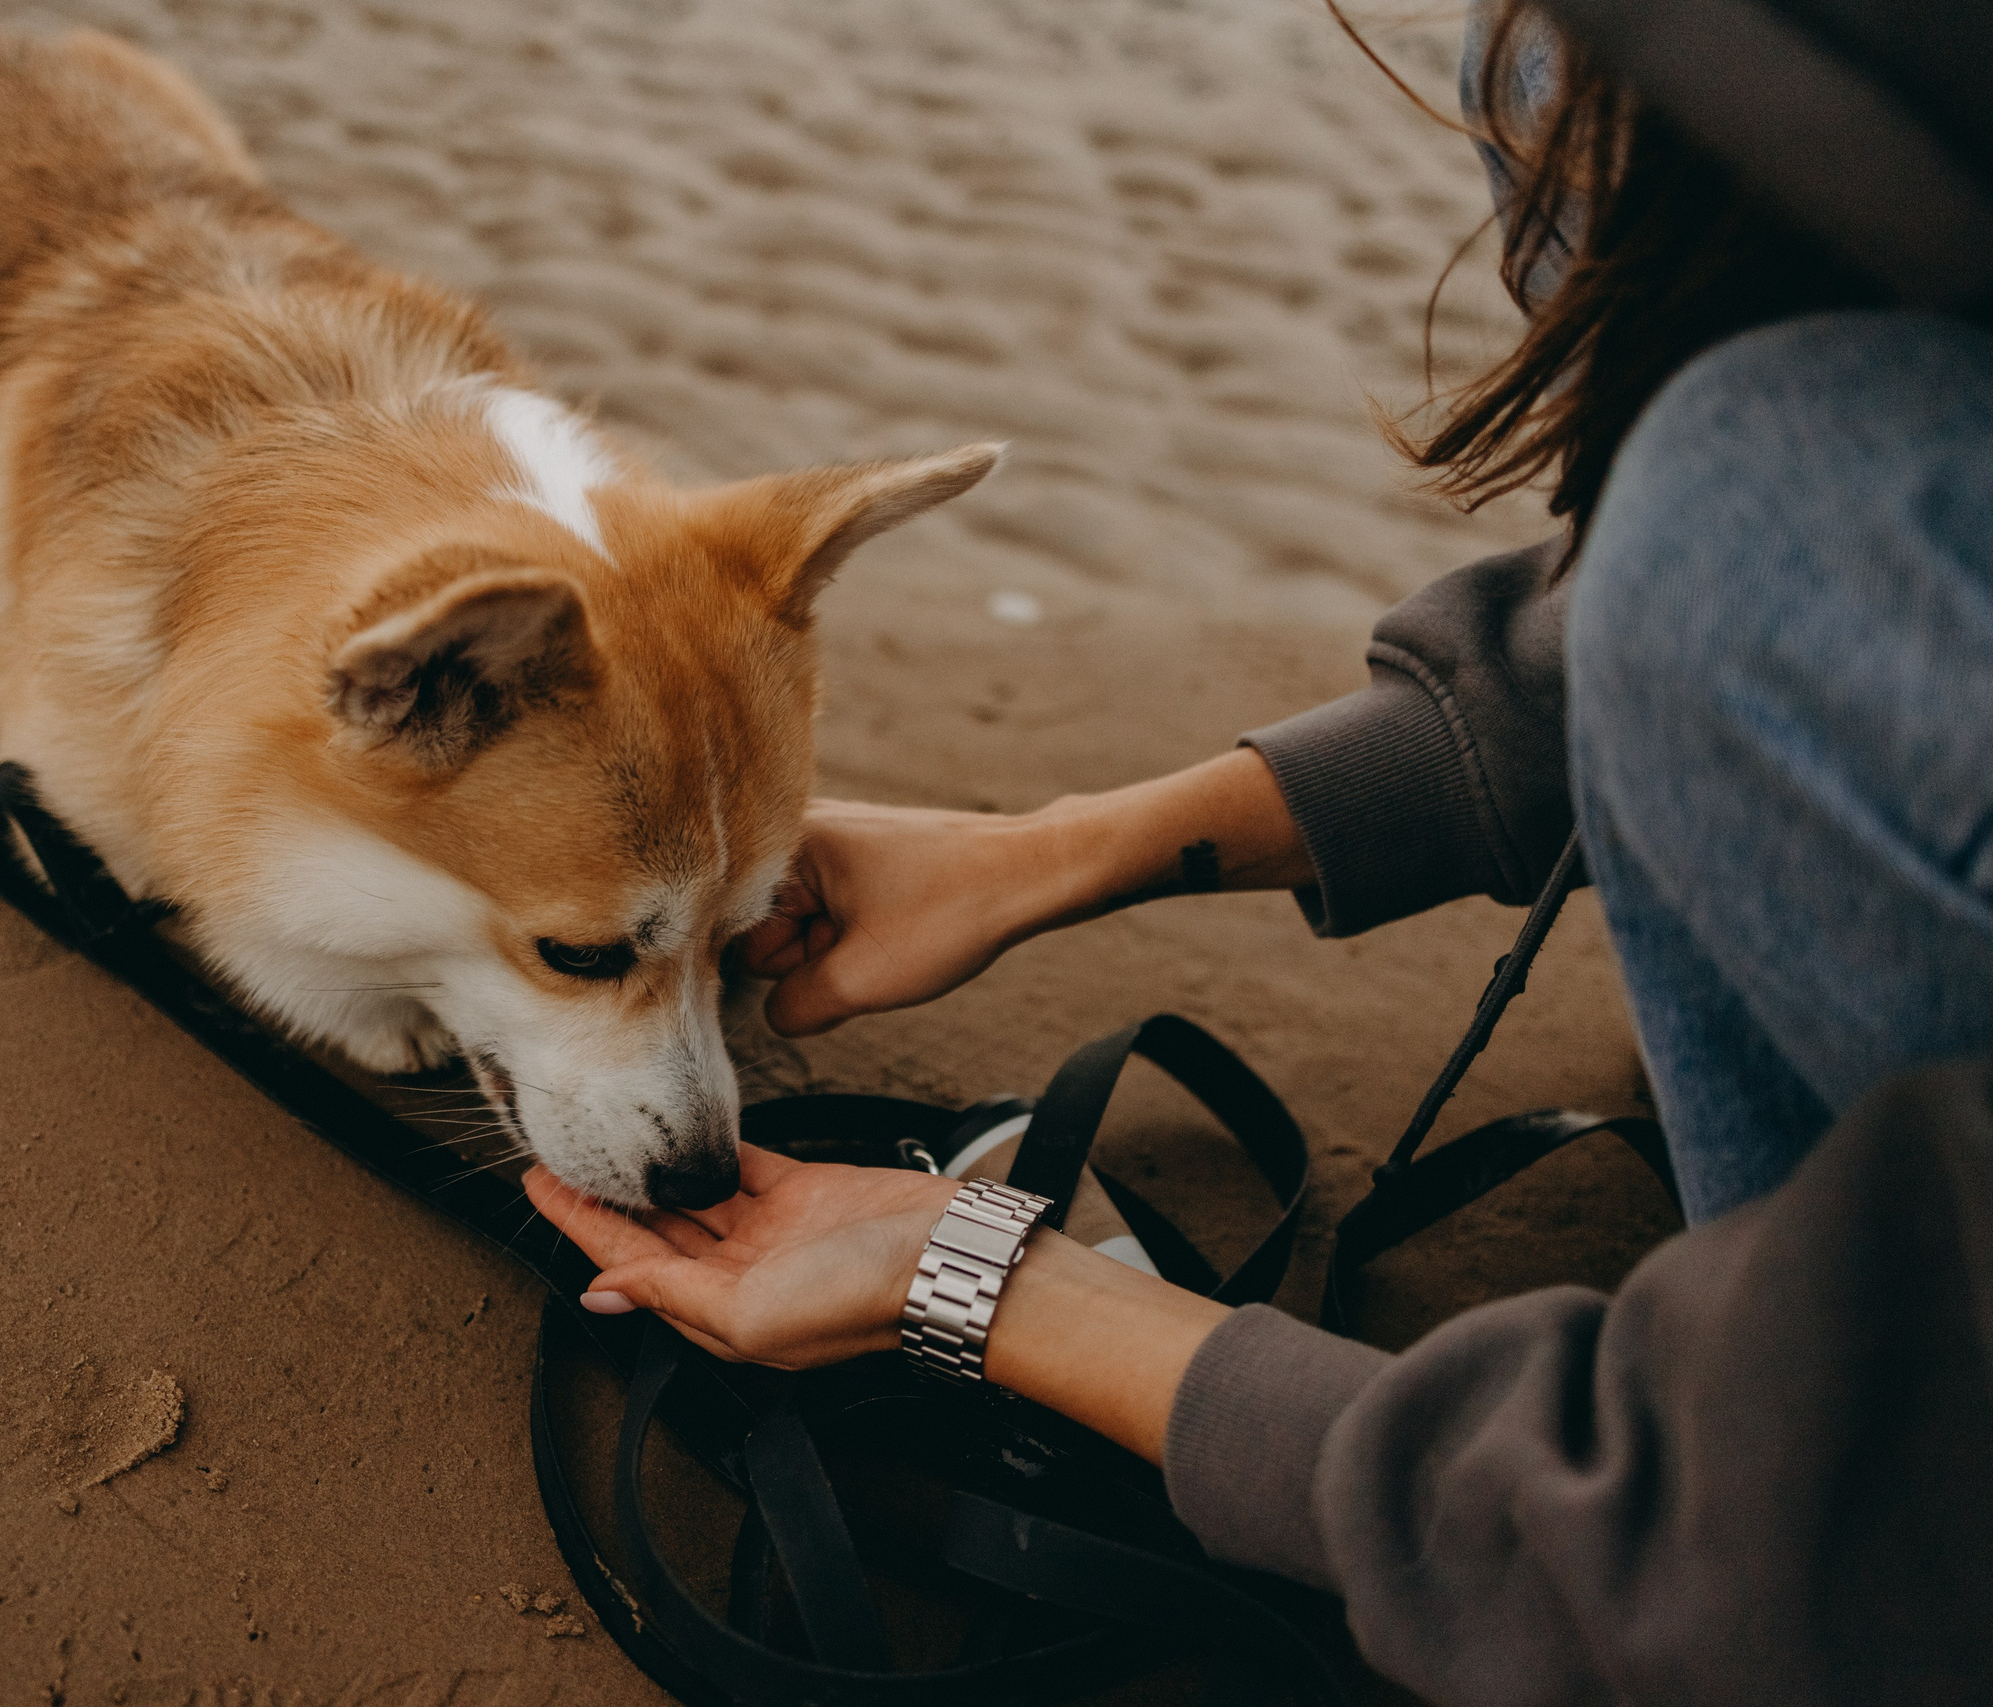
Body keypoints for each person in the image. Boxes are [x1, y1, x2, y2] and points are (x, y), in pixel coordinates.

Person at [527, 1, 1993, 1700]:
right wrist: (1062, 851)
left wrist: (989, 1290)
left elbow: (1713, 1546)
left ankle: (1832, 1307)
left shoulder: (1748, 513)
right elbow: (1757, 606)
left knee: (1727, 460)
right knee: (1556, 109)